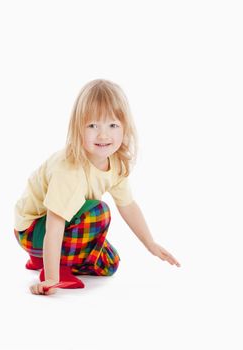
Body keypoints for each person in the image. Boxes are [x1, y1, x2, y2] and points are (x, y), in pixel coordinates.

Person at [13, 79, 180, 296]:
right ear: (78, 129)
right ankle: (51, 265)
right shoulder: (70, 170)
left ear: (125, 128)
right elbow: (55, 225)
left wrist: (150, 243)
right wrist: (52, 277)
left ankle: (41, 259)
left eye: (113, 125)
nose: (103, 135)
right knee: (98, 212)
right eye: (92, 125)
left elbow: (128, 205)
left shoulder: (116, 163)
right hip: (33, 230)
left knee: (110, 263)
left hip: (60, 227)